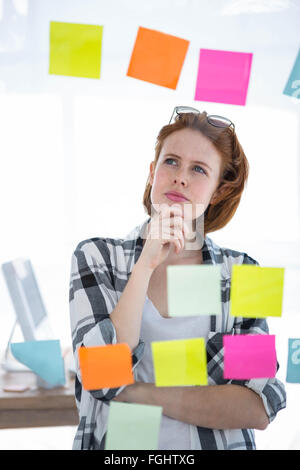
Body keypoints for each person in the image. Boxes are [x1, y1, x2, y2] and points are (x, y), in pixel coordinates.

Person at [69, 106, 286, 450]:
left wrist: (138, 392)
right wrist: (144, 266)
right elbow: (100, 376)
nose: (180, 177)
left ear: (217, 192)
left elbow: (260, 406)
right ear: (153, 172)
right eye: (171, 162)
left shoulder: (247, 272)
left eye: (198, 169)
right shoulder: (96, 256)